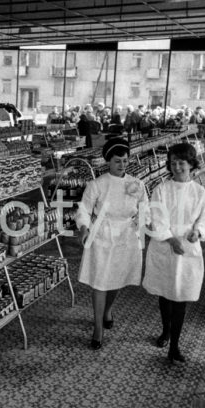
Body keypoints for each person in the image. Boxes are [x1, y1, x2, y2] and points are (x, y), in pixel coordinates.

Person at [143, 143, 205, 363]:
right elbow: (156, 218)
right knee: (166, 292)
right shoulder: (161, 189)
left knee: (181, 295)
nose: (177, 167)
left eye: (181, 163)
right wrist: (170, 238)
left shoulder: (200, 193)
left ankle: (174, 346)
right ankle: (166, 330)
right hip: (165, 244)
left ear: (191, 164)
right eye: (173, 163)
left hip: (187, 249)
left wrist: (198, 231)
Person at [76, 138, 148, 350]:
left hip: (126, 234)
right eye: (118, 161)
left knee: (116, 278)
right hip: (102, 234)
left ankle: (108, 310)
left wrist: (140, 220)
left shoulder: (137, 184)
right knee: (100, 280)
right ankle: (98, 328)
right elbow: (84, 210)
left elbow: (145, 207)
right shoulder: (97, 184)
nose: (122, 165)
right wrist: (83, 228)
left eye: (125, 161)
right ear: (108, 161)